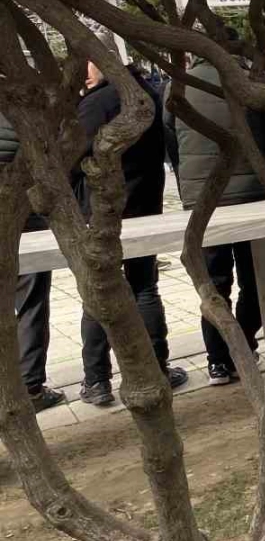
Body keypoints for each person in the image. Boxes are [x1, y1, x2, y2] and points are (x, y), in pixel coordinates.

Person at [164, 44, 265, 385]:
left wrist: (190, 180)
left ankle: (218, 360)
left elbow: (171, 143)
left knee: (213, 283)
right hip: (251, 194)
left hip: (203, 199)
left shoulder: (178, 85)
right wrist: (259, 171)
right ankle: (243, 346)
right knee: (256, 277)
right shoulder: (250, 83)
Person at [74, 61, 187, 406]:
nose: (83, 74)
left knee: (99, 291)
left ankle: (97, 379)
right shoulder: (147, 94)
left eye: (90, 65)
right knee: (144, 287)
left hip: (103, 209)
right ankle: (157, 368)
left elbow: (72, 155)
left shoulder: (98, 102)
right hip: (145, 204)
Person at [0, 113, 63, 411]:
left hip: (19, 215)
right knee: (31, 304)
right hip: (23, 217)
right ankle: (30, 387)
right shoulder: (23, 110)